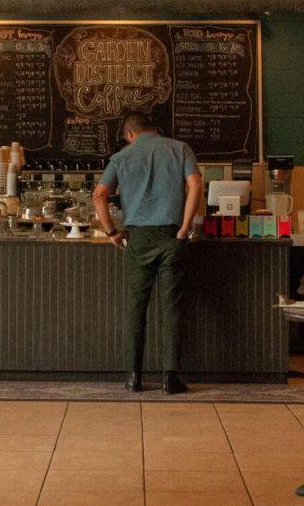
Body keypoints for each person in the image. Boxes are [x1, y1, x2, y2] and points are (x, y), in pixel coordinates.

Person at [92, 112, 203, 395]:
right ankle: (170, 378)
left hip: (138, 238)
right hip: (170, 235)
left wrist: (111, 232)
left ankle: (133, 377)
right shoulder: (180, 148)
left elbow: (99, 194)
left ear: (129, 134)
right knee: (171, 308)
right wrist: (185, 228)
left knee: (136, 308)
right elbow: (195, 185)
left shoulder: (121, 157)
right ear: (154, 129)